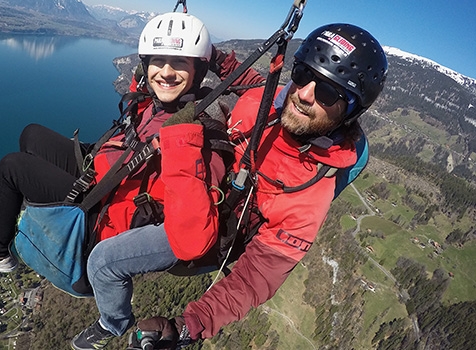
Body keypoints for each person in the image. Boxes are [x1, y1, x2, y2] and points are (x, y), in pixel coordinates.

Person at [0, 12, 232, 349]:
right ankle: (9, 206)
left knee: (12, 168)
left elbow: (192, 230)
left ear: (199, 71)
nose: (166, 71)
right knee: (31, 135)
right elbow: (142, 101)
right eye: (157, 61)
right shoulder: (160, 103)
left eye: (180, 62)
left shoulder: (200, 136)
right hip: (105, 175)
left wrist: (182, 142)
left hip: (103, 216)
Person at [131, 23, 389, 348]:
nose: (304, 94)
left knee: (105, 260)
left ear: (352, 111)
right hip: (195, 185)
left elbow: (257, 277)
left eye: (327, 92)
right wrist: (207, 54)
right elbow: (249, 81)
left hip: (201, 235)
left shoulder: (309, 192)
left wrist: (187, 326)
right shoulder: (267, 101)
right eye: (302, 74)